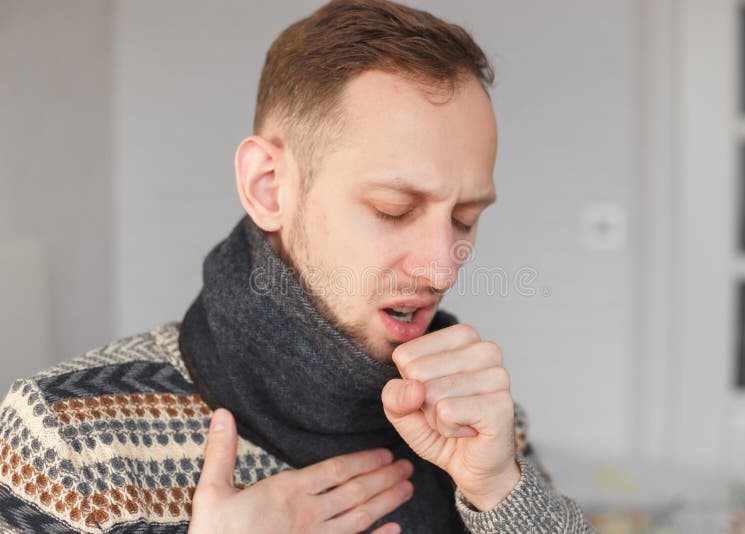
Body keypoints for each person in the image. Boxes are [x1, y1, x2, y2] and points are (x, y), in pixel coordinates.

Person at [0, 0, 598, 532]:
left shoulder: (479, 420)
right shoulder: (68, 439)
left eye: (465, 218)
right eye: (394, 210)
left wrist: (501, 494)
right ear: (268, 188)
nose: (442, 269)